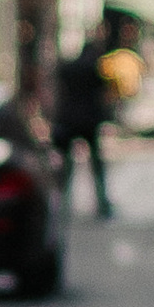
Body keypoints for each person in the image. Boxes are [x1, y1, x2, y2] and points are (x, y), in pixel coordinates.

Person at [51, 22, 120, 217]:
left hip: (68, 119)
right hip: (89, 121)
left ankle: (61, 205)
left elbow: (59, 91)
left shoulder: (69, 67)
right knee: (96, 167)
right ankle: (102, 205)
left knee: (66, 168)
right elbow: (105, 92)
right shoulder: (95, 68)